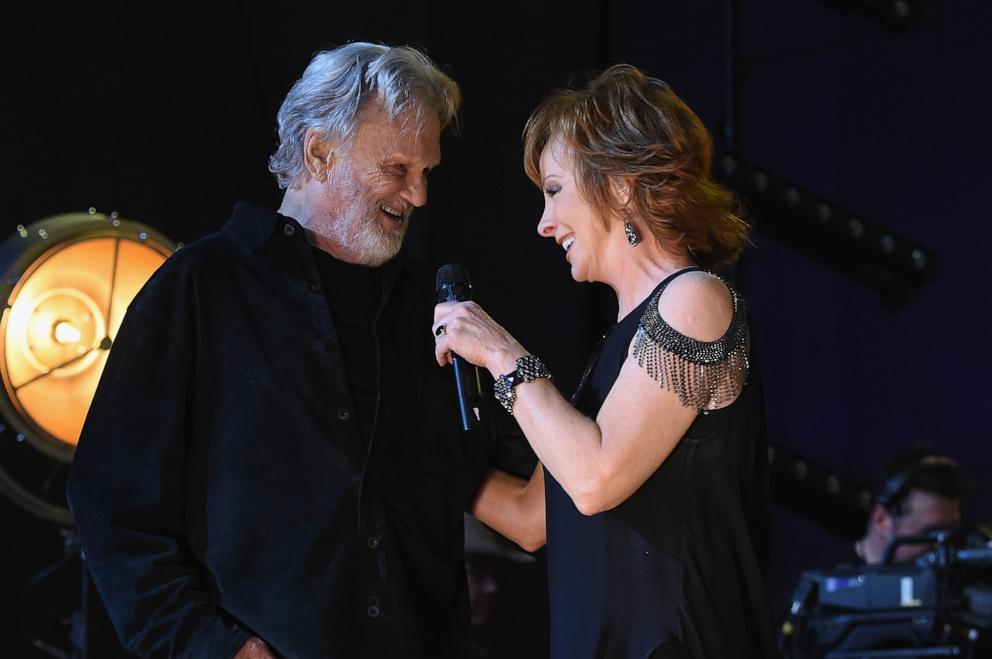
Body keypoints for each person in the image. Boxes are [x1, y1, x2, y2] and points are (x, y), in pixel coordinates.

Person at [67, 42, 497, 659]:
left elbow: (508, 488)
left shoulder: (428, 308)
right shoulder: (199, 289)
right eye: (398, 168)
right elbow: (113, 505)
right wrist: (211, 647)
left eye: (426, 172)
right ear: (319, 152)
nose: (419, 195)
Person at [434, 64, 778, 658]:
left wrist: (499, 352)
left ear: (619, 183)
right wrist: (413, 454)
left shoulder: (694, 299)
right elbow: (527, 518)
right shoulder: (616, 351)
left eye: (554, 190)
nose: (544, 224)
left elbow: (595, 480)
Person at [843, 447, 970, 566]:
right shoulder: (829, 587)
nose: (942, 549)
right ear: (881, 521)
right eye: (931, 534)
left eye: (950, 532)